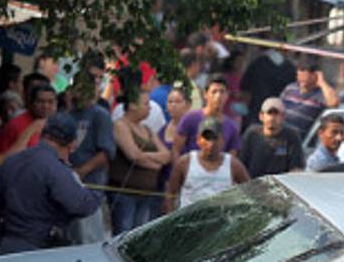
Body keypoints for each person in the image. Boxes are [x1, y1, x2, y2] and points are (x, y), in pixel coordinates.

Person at [0, 113, 104, 254]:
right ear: (72, 145)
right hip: (38, 251)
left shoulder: (13, 161)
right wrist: (97, 196)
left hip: (8, 246)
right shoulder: (55, 169)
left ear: (43, 135)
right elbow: (80, 205)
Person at [109, 86, 171, 231]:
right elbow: (133, 155)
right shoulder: (121, 125)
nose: (149, 108)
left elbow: (166, 155)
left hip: (146, 193)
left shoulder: (147, 130)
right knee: (123, 234)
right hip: (126, 193)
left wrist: (146, 156)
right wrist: (155, 164)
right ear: (132, 105)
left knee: (138, 234)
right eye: (145, 104)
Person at [66, 74, 116, 244]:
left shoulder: (100, 115)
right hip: (68, 184)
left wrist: (81, 171)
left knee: (91, 236)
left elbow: (106, 152)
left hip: (92, 184)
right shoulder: (69, 114)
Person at [165, 117, 250, 210]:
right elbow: (170, 194)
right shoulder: (184, 163)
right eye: (207, 138)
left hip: (221, 221)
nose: (211, 143)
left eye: (215, 138)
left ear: (222, 140)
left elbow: (250, 191)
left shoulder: (233, 165)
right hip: (190, 221)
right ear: (198, 140)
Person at [173, 75, 241, 158]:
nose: (218, 96)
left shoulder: (232, 127)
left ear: (227, 95)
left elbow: (231, 160)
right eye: (214, 92)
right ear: (205, 94)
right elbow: (175, 150)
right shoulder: (190, 118)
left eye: (222, 92)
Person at [236, 97, 305, 178]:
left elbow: (296, 169)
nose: (272, 118)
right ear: (261, 116)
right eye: (269, 113)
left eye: (276, 114)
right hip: (252, 183)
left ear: (283, 117)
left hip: (280, 185)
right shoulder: (252, 133)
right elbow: (241, 164)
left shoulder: (292, 136)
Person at [280, 57, 340, 139]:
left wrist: (322, 82)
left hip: (295, 138)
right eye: (299, 77)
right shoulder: (290, 88)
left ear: (314, 76)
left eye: (304, 80)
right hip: (279, 130)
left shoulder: (320, 94)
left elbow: (333, 103)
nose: (300, 82)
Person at [0, 81, 56, 153]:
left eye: (50, 102)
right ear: (31, 103)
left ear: (56, 104)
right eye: (40, 101)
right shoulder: (16, 125)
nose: (45, 106)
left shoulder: (56, 124)